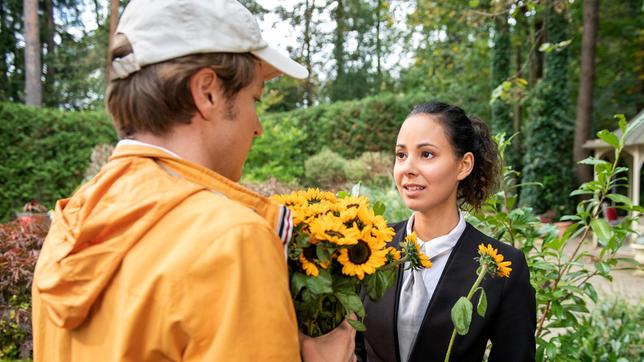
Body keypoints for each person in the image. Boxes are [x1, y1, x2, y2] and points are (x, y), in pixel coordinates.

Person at [31, 0, 355, 361]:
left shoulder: (70, 223)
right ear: (208, 92)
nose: (257, 127)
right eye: (254, 100)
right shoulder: (231, 240)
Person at [356, 101, 536, 361]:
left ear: (463, 165)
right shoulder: (370, 246)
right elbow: (355, 345)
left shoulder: (504, 267)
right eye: (401, 155)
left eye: (426, 154)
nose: (408, 168)